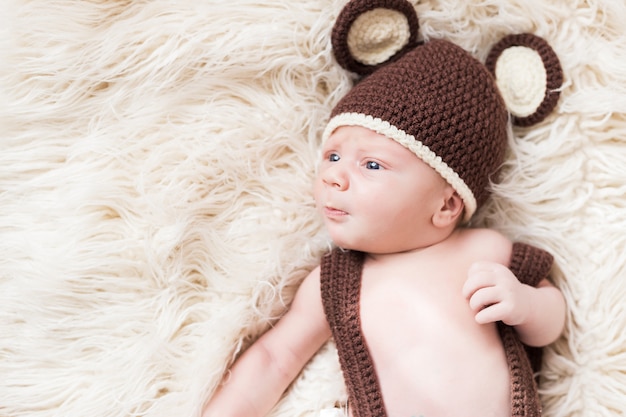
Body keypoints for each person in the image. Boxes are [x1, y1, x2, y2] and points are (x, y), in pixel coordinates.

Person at [203, 1, 566, 416]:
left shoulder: (484, 251)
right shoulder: (339, 280)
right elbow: (276, 357)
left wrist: (524, 304)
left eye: (371, 165)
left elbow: (552, 321)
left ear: (446, 204)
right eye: (333, 156)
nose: (333, 177)